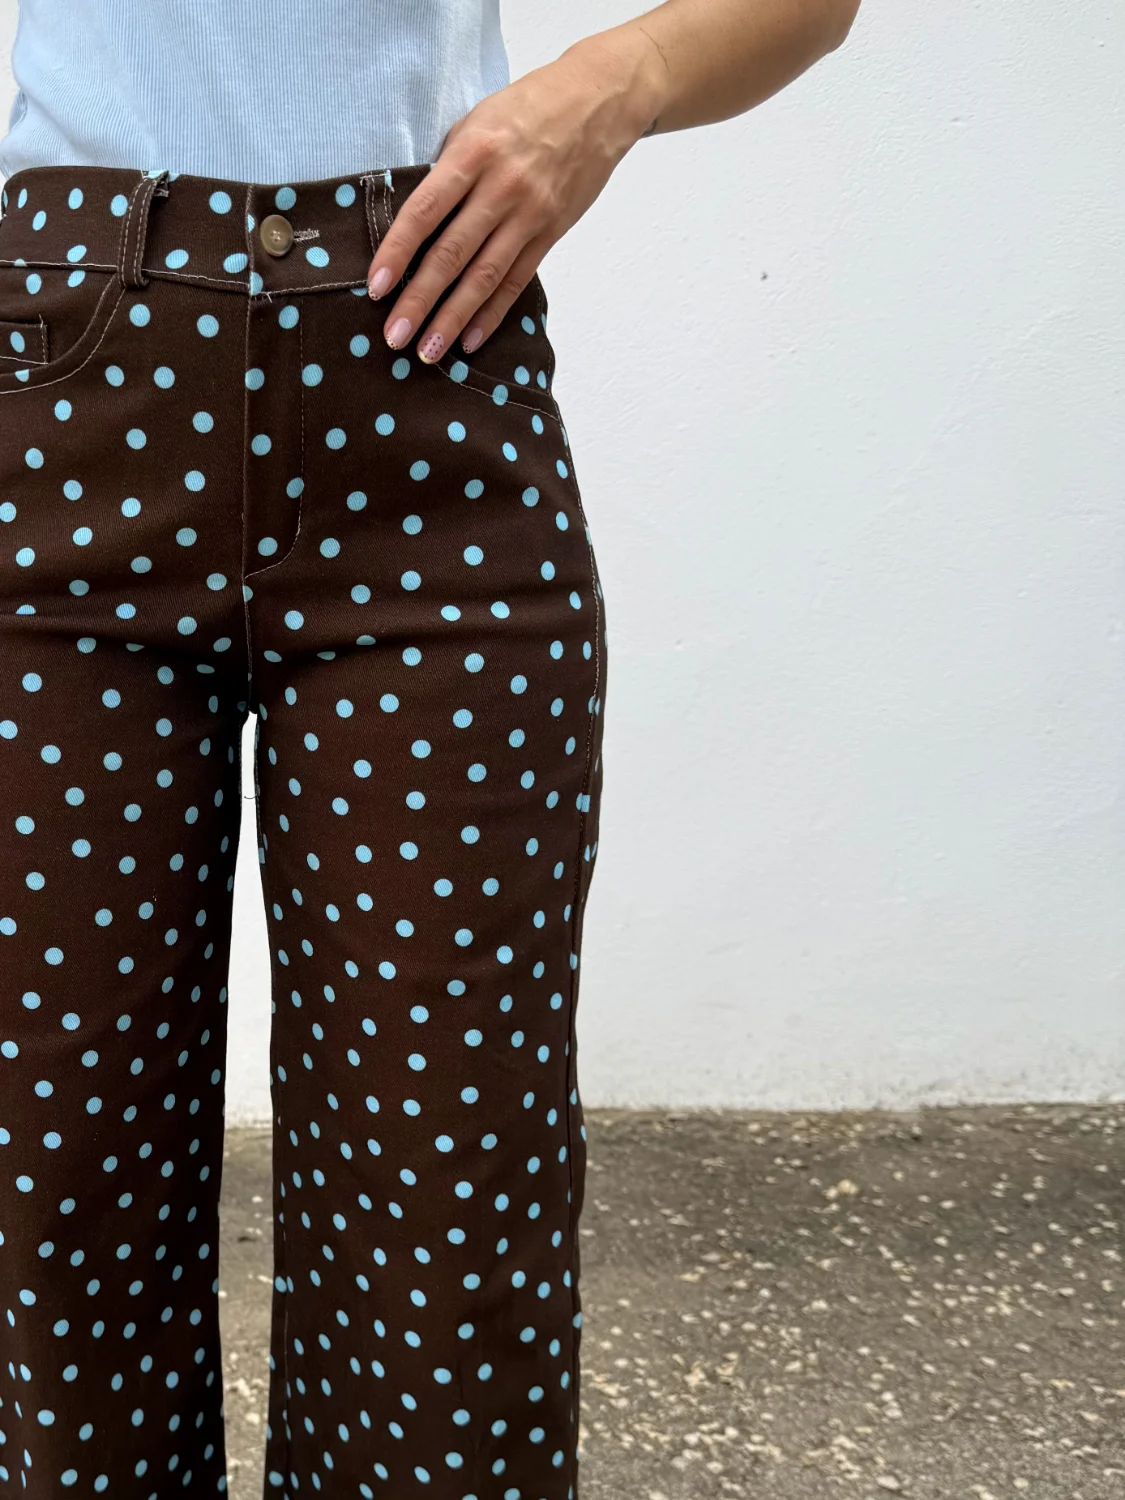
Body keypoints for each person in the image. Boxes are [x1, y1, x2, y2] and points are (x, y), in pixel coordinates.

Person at [0, 1, 860, 1494]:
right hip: (66, 392)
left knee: (447, 1214)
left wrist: (619, 79)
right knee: (48, 1192)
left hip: (427, 390)